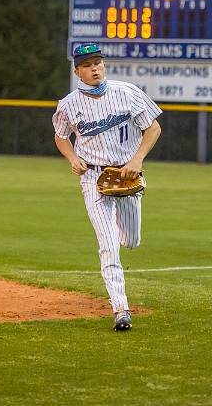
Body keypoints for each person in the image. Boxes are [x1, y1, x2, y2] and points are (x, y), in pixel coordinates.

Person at [52, 42, 162, 331]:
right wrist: (72, 157)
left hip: (126, 176)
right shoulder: (68, 105)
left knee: (131, 240)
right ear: (78, 71)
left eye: (98, 62)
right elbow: (61, 136)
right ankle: (121, 309)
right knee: (109, 245)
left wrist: (137, 158)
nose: (95, 68)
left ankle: (120, 232)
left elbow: (153, 128)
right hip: (92, 178)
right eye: (88, 65)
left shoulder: (127, 92)